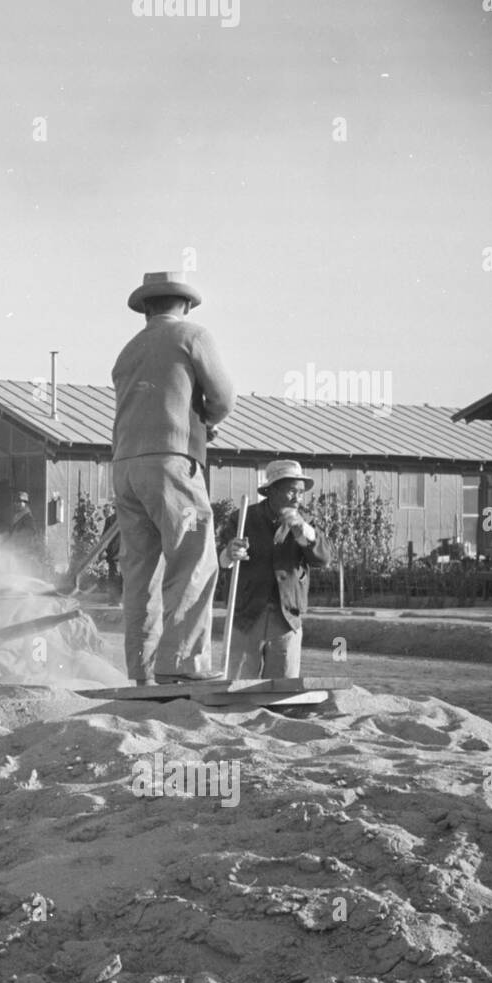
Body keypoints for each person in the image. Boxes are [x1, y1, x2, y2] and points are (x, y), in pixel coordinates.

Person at [111, 271, 237, 686]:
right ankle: (181, 662)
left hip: (126, 467)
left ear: (146, 308)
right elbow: (223, 398)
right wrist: (209, 421)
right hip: (172, 461)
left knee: (139, 574)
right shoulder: (192, 335)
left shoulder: (127, 350)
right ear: (184, 305)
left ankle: (142, 670)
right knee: (193, 559)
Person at [219, 460, 333, 680]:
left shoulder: (306, 521)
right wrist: (229, 553)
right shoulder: (243, 518)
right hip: (247, 616)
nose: (297, 498)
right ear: (271, 491)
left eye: (301, 493)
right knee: (237, 687)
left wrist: (304, 533)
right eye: (291, 491)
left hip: (287, 618)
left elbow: (324, 558)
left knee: (282, 688)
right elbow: (220, 561)